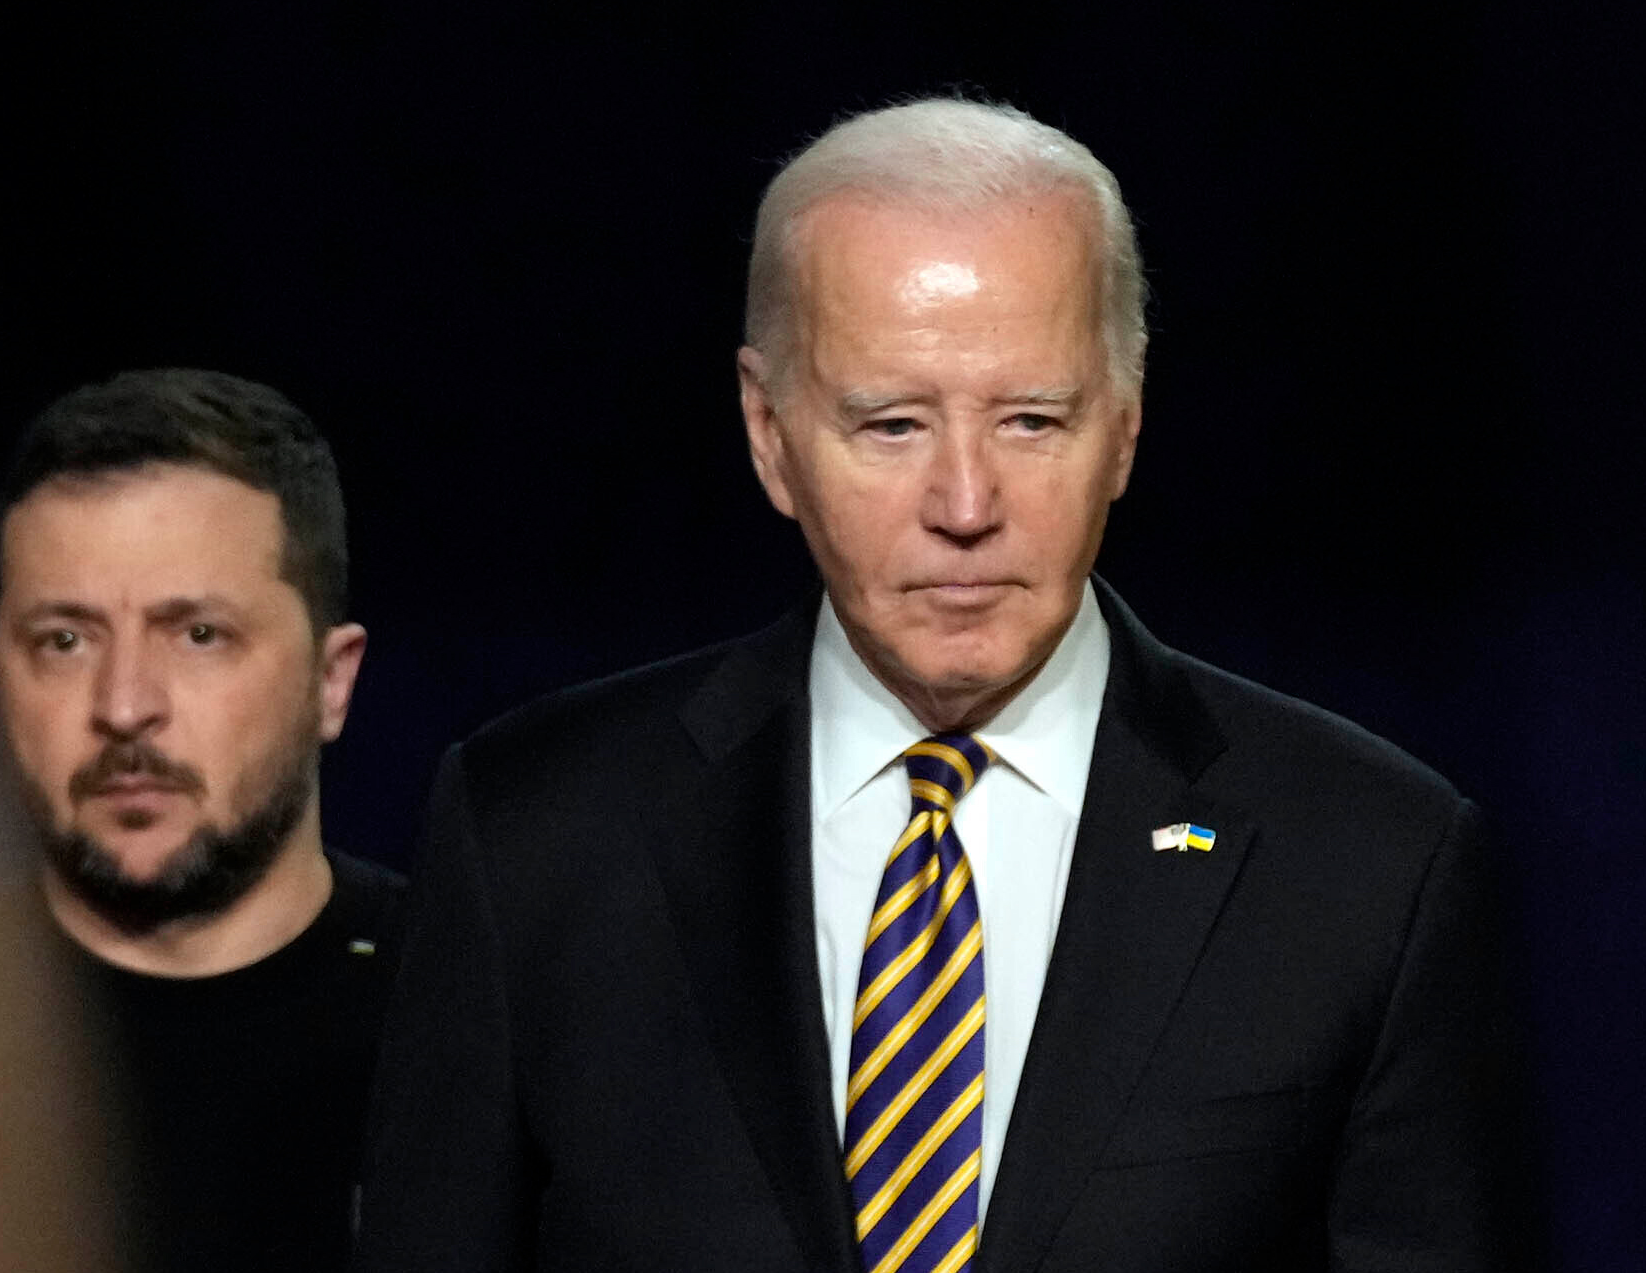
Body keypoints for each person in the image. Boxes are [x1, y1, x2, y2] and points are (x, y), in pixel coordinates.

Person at [353, 100, 1522, 1272]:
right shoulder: (533, 839)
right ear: (769, 433)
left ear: (1122, 424)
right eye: (892, 424)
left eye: (1030, 420)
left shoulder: (1371, 866)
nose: (964, 506)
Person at [0, 368, 402, 1273]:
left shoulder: (477, 1025)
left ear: (332, 681)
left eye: (198, 633)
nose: (125, 705)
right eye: (65, 639)